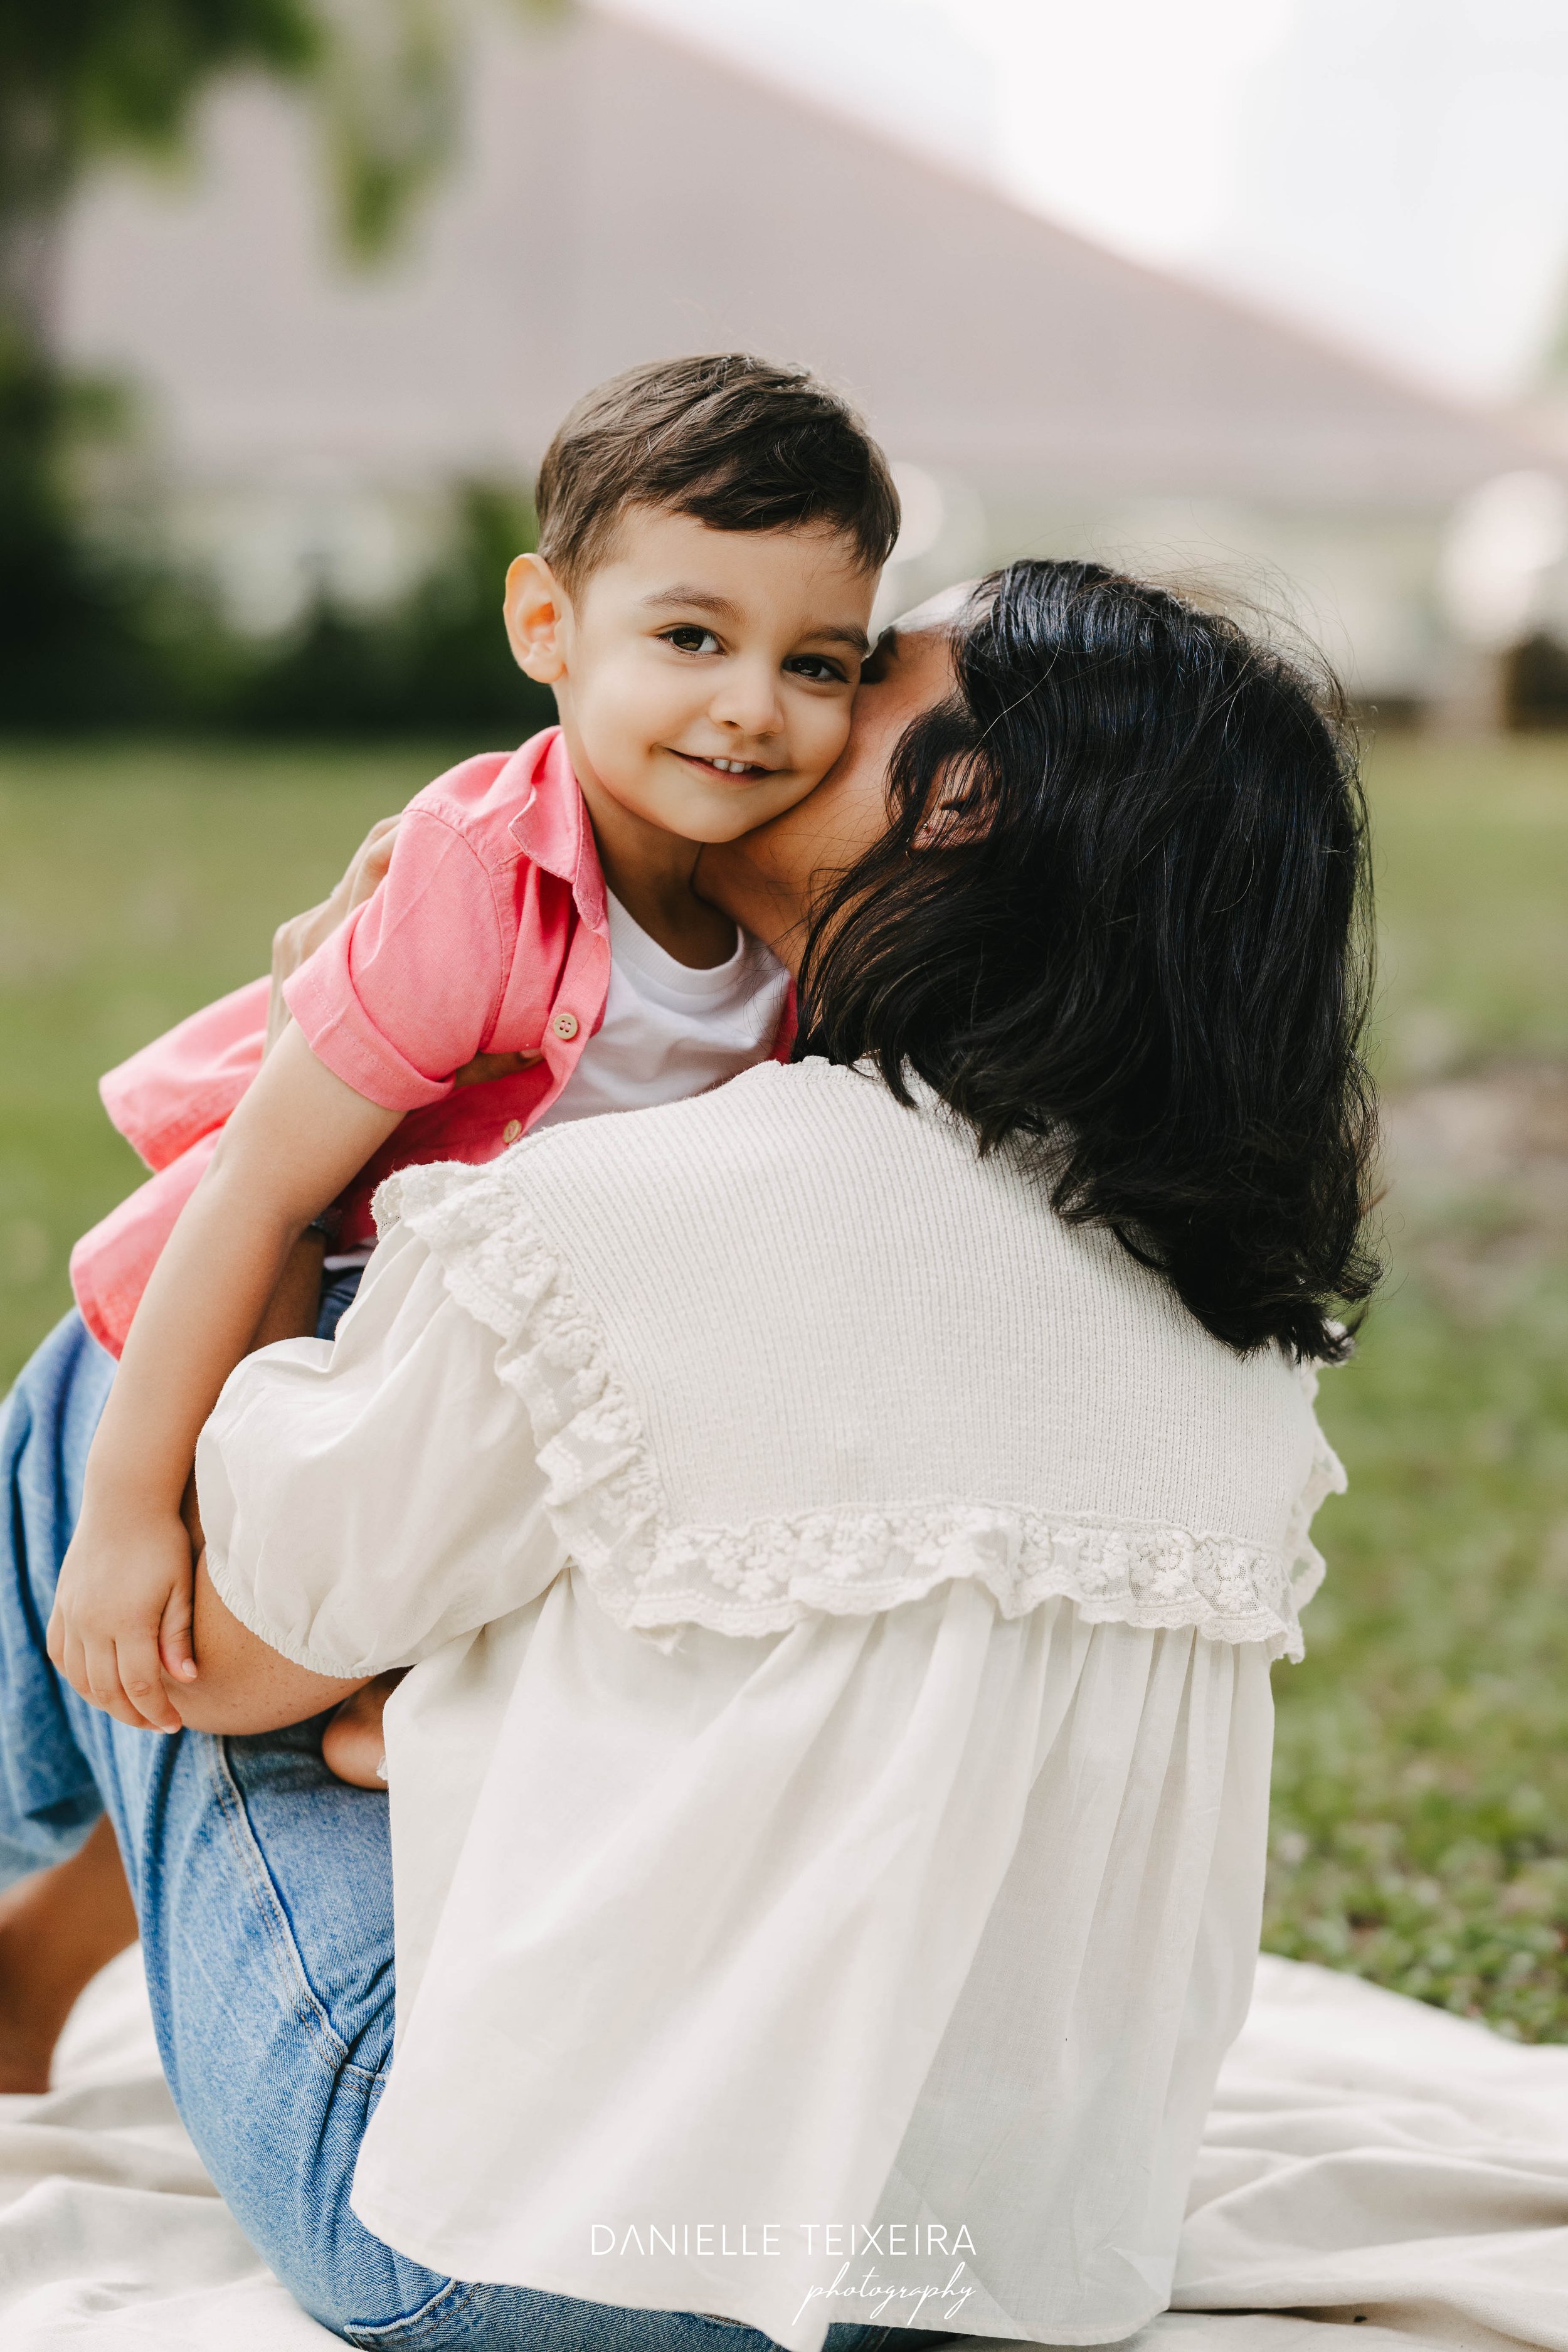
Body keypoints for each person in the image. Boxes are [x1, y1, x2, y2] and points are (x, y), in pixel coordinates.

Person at [0, 561, 1378, 2352]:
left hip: (531, 2257)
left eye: (846, 674)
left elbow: (234, 1655)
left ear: (958, 816)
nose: (765, 715)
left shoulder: (651, 1214)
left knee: (118, 1384)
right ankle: (32, 1969)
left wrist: (313, 1082)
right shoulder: (1239, 1323)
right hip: (976, 2257)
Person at [49, 352, 898, 1784]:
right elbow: (256, 1195)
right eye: (690, 637)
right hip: (342, 1293)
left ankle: (424, 1689)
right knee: (208, 1647)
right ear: (544, 623)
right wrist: (127, 1511)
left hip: (570, 1336)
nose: (754, 705)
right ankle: (351, 1676)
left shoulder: (791, 922)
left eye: (815, 664)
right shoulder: (479, 880)